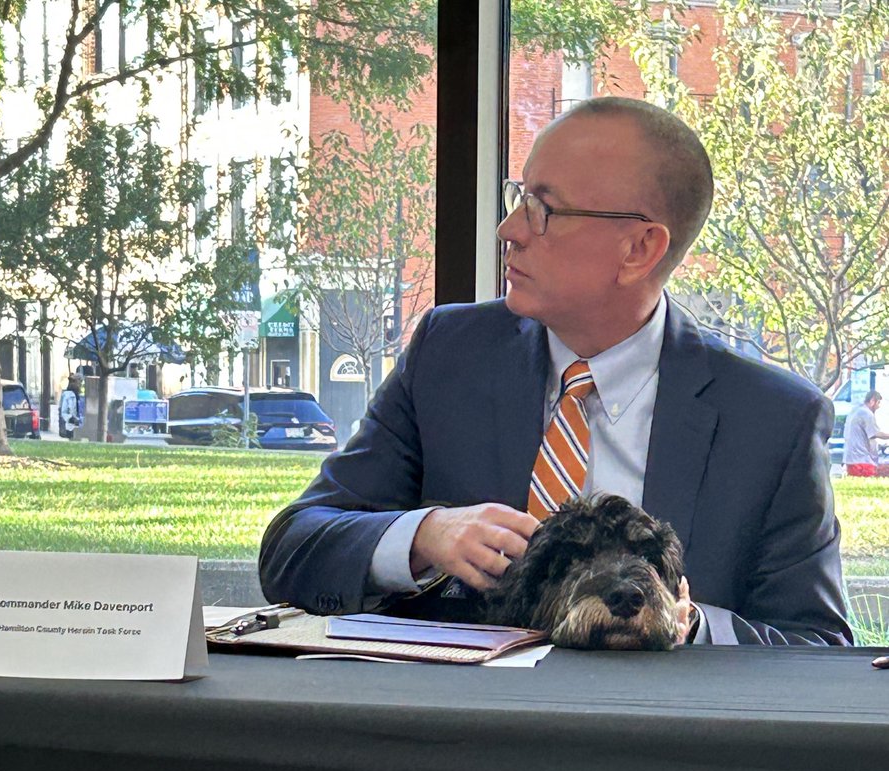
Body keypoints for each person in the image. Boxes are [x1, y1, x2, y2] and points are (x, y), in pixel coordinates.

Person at [259, 97, 850, 646]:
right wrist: (424, 536)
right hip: (451, 740)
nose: (508, 230)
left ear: (640, 249)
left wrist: (686, 626)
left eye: (543, 209)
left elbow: (818, 646)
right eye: (518, 199)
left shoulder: (775, 420)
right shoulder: (450, 355)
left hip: (655, 744)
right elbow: (294, 548)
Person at [843, 390, 889, 477]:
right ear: (872, 401)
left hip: (851, 460)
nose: (878, 407)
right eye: (878, 403)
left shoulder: (855, 411)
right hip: (863, 461)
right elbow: (875, 433)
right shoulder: (867, 413)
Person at [58, 375, 83, 439]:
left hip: (79, 426)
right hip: (70, 427)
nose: (80, 385)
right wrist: (72, 419)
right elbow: (64, 412)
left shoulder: (78, 395)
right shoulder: (68, 395)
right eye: (79, 382)